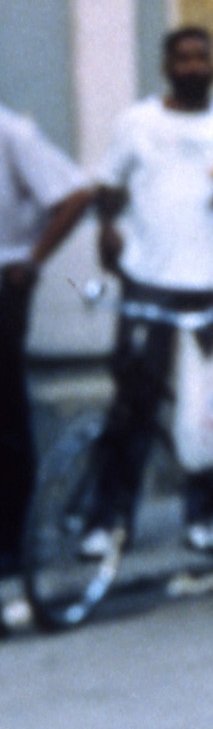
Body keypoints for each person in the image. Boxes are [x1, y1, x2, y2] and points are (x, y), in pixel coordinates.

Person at [86, 26, 213, 556]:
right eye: (182, 57)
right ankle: (107, 523)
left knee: (208, 408)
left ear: (212, 63)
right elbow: (108, 189)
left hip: (212, 285)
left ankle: (205, 517)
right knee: (132, 405)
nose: (192, 66)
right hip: (149, 283)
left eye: (201, 56)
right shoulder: (138, 122)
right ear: (166, 66)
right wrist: (107, 229)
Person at [0, 106, 93, 589]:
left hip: (1, 279)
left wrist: (32, 261)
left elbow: (75, 194)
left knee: (5, 422)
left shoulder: (11, 130)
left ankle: (12, 549)